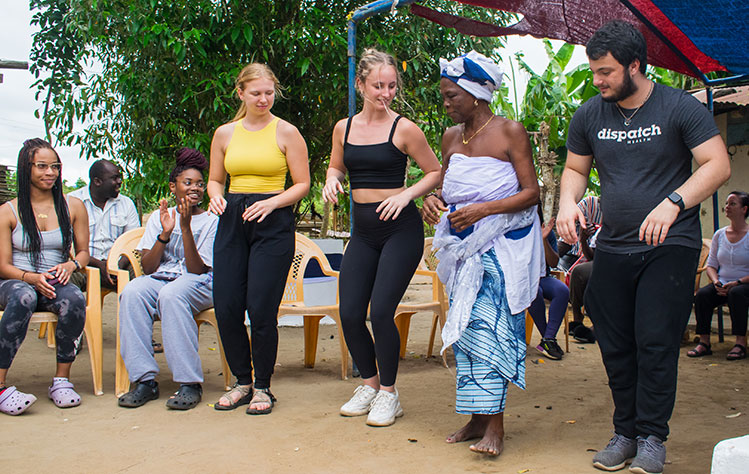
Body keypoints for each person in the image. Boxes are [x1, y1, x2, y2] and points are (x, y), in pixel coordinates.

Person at [556, 20, 730, 473]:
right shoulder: (590, 114)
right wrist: (566, 202)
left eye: (606, 72)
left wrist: (674, 203)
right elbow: (575, 169)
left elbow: (717, 164)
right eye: (593, 71)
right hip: (613, 245)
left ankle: (653, 437)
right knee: (614, 343)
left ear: (635, 65)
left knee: (654, 340)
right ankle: (625, 432)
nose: (597, 81)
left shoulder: (677, 107)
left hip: (670, 244)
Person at [423, 51, 543, 455]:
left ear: (475, 94)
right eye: (443, 95)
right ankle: (476, 419)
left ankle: (497, 429)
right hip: (462, 251)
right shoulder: (451, 138)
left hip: (500, 249)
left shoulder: (510, 132)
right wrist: (435, 201)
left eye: (451, 95)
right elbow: (449, 187)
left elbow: (531, 194)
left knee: (493, 331)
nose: (445, 103)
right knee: (467, 335)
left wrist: (484, 209)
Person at [323, 48, 441, 427]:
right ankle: (370, 385)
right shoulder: (344, 127)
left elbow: (435, 172)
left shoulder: (404, 128)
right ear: (361, 84)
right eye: (378, 85)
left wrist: (407, 194)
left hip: (400, 230)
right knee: (351, 313)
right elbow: (337, 165)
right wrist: (330, 180)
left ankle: (390, 394)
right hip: (364, 231)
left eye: (391, 85)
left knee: (381, 311)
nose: (385, 92)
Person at [208, 63, 310, 415]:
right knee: (227, 305)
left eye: (269, 92)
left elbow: (302, 184)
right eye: (256, 93)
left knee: (261, 308)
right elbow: (215, 179)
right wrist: (215, 195)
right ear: (241, 94)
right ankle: (241, 382)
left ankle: (263, 386)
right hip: (233, 219)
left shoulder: (287, 132)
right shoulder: (225, 133)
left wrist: (271, 202)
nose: (264, 99)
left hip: (273, 221)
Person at [117, 148, 217, 410]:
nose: (195, 188)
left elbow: (197, 270)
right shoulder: (160, 217)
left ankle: (189, 383)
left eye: (199, 184)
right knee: (133, 292)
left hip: (202, 281)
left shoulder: (212, 220)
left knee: (172, 295)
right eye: (188, 183)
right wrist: (165, 232)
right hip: (164, 277)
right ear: (173, 186)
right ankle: (145, 381)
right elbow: (148, 267)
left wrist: (185, 229)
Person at [0, 138, 90, 415]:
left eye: (55, 166)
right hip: (15, 281)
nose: (50, 172)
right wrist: (29, 277)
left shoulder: (73, 206)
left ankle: (61, 381)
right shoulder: (8, 212)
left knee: (74, 298)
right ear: (26, 168)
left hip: (54, 281)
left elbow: (85, 252)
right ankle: (1, 386)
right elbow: (2, 265)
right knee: (24, 296)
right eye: (42, 166)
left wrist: (72, 265)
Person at [688, 191, 749, 360]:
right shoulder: (720, 235)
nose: (727, 207)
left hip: (744, 284)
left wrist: (737, 282)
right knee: (703, 295)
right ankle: (704, 342)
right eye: (727, 203)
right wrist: (716, 282)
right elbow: (712, 265)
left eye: (732, 204)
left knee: (737, 294)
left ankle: (740, 343)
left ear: (744, 209)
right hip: (722, 283)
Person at [69, 159, 140, 289]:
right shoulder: (72, 202)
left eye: (120, 177)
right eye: (114, 178)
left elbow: (132, 244)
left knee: (142, 283)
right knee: (62, 284)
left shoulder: (126, 204)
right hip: (82, 266)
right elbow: (67, 247)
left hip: (119, 266)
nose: (119, 182)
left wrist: (115, 266)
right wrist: (98, 265)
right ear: (97, 181)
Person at [527, 205, 569, 360]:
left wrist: (543, 240)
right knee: (534, 292)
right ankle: (548, 338)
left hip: (543, 277)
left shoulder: (547, 233)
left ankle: (548, 339)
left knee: (562, 290)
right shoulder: (515, 233)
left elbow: (553, 262)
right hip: (524, 280)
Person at [567, 224, 600, 344]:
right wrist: (583, 239)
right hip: (603, 262)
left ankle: (598, 326)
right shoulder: (603, 229)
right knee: (578, 272)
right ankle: (577, 320)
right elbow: (592, 256)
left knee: (608, 276)